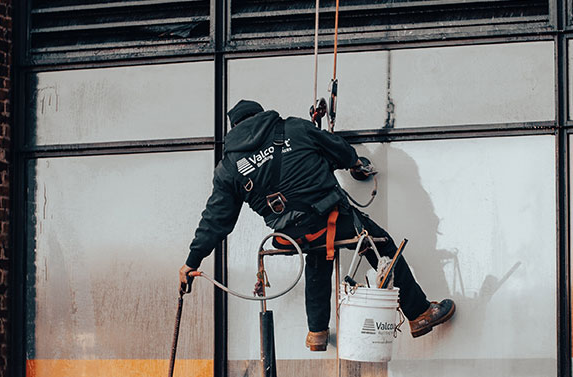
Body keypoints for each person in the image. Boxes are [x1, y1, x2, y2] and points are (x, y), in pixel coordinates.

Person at [179, 99, 455, 350]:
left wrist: (192, 261)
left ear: (235, 129)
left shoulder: (229, 168)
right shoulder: (294, 129)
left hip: (290, 237)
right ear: (261, 116)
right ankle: (419, 313)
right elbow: (339, 150)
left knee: (317, 256)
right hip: (334, 219)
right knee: (381, 245)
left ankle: (317, 333)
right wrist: (355, 163)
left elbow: (216, 220)